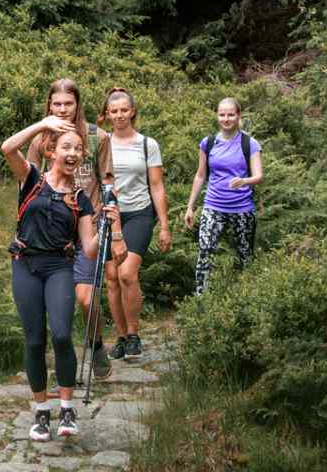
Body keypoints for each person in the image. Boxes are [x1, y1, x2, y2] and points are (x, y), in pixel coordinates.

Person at [3, 115, 107, 441]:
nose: (73, 153)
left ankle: (66, 407)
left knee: (61, 335)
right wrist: (42, 124)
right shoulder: (31, 178)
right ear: (51, 151)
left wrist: (105, 229)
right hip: (25, 265)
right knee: (34, 340)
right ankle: (41, 412)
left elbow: (89, 250)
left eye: (78, 148)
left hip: (60, 267)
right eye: (66, 146)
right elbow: (7, 148)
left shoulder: (81, 200)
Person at [23, 79, 114, 375]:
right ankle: (62, 366)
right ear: (49, 105)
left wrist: (118, 231)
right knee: (54, 308)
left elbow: (109, 184)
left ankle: (96, 342)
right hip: (52, 230)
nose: (62, 110)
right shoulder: (40, 140)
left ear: (78, 105)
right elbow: (27, 185)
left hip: (89, 222)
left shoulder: (97, 137)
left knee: (86, 298)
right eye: (57, 104)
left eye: (68, 104)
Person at [100, 87, 171, 358]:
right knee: (111, 279)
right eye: (114, 111)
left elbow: (157, 185)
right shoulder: (101, 143)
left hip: (139, 213)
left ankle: (133, 334)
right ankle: (119, 337)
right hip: (107, 214)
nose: (119, 115)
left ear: (132, 112)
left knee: (127, 273)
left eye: (124, 110)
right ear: (107, 114)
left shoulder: (147, 144)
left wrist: (163, 225)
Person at [183, 97, 264, 295]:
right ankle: (202, 300)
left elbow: (259, 176)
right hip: (213, 206)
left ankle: (247, 297)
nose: (226, 119)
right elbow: (201, 175)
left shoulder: (249, 143)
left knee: (245, 255)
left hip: (242, 208)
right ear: (217, 116)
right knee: (205, 251)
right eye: (222, 114)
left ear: (238, 116)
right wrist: (190, 206)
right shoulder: (208, 143)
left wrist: (244, 181)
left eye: (230, 114)